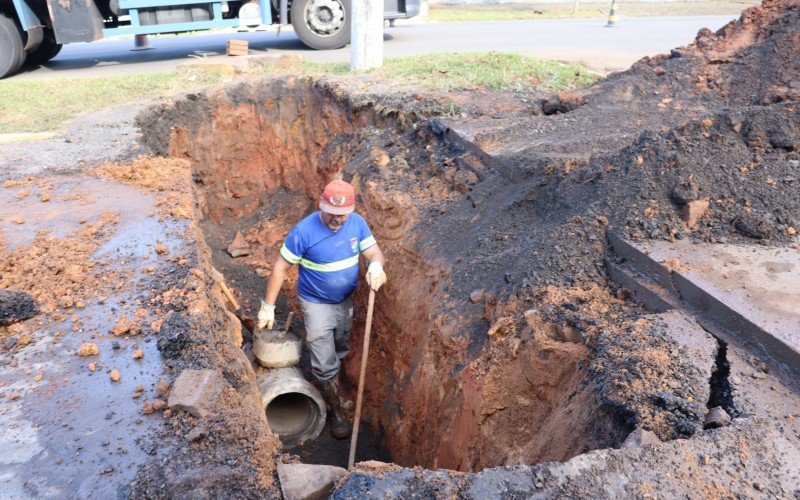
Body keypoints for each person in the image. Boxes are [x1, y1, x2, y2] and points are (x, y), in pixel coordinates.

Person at [258, 180, 387, 439]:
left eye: (342, 215)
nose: (336, 220)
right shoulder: (303, 232)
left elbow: (375, 252)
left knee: (339, 347)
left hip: (344, 302)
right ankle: (336, 410)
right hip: (315, 302)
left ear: (350, 211)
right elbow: (280, 268)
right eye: (331, 213)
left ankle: (334, 386)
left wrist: (376, 265)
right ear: (321, 205)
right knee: (322, 351)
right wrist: (267, 306)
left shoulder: (357, 224)